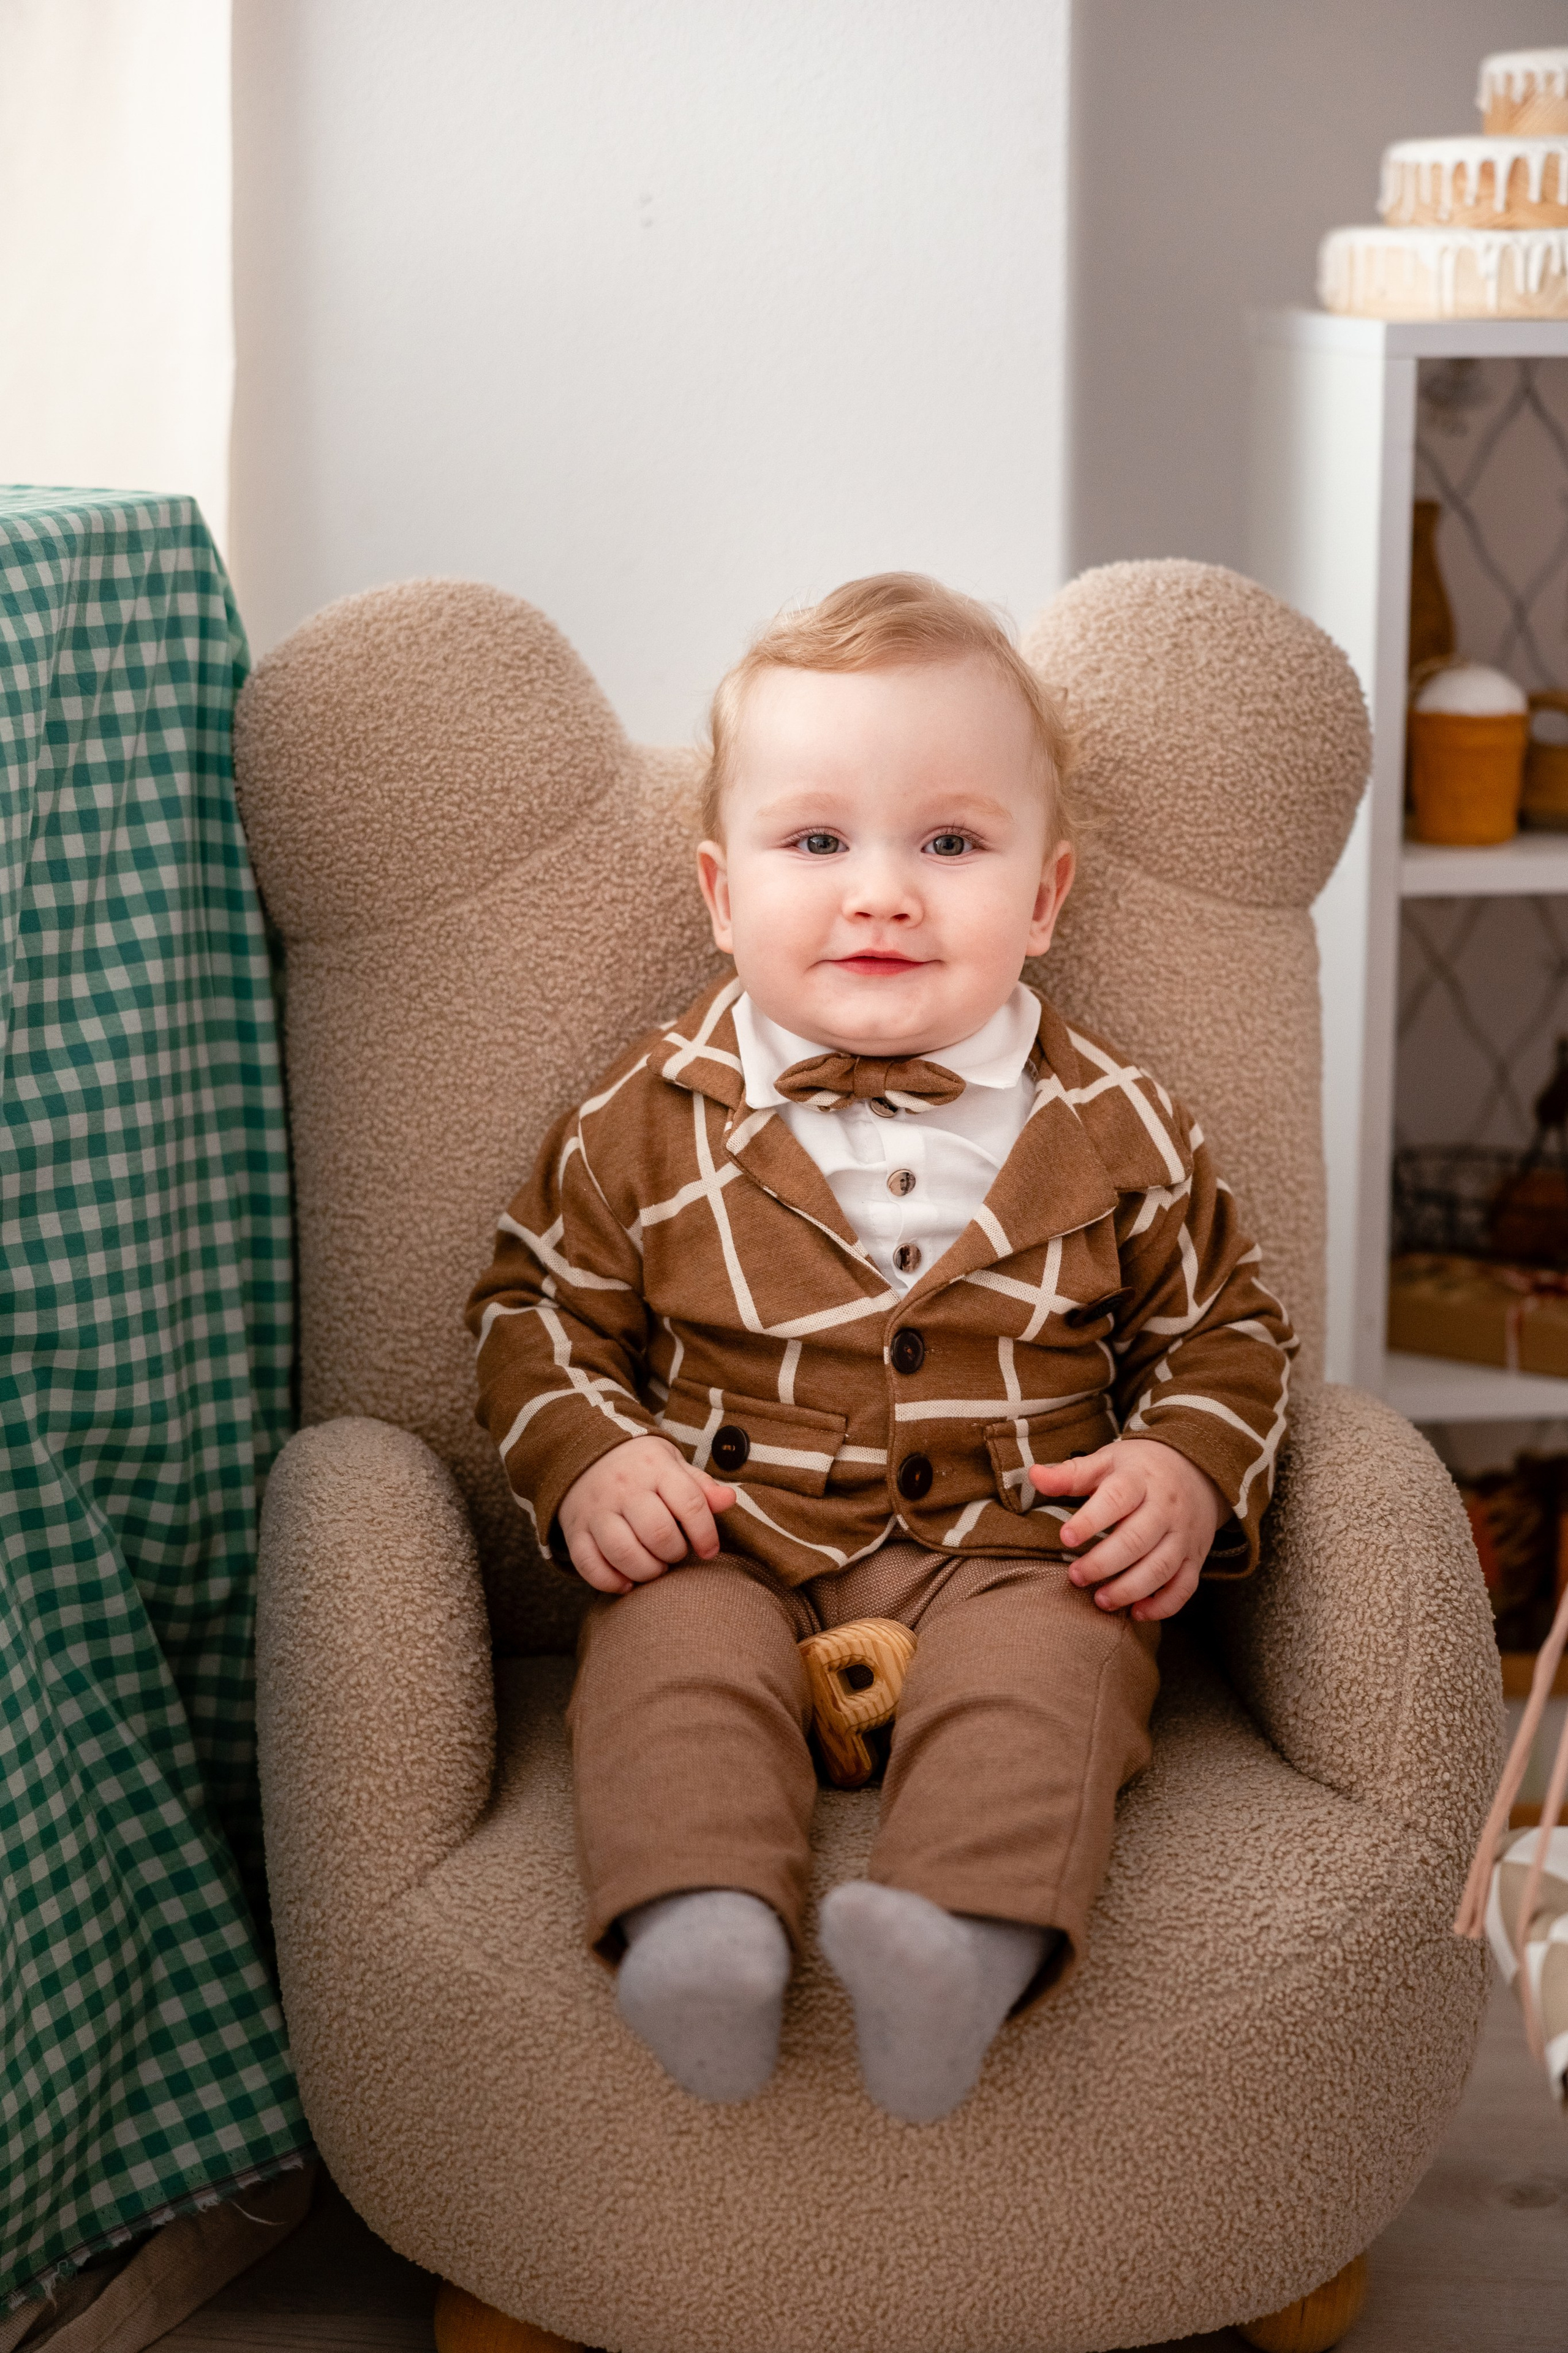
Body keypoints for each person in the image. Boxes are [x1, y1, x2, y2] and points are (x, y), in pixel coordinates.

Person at [466, 573, 1294, 2123]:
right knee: (666, 1658)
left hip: (1014, 1541)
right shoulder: (643, 1119)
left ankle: (955, 1943)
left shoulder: (1120, 1121)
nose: (882, 892)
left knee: (1056, 1667)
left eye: (951, 844)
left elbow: (1225, 1324)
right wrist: (597, 1457)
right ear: (719, 893)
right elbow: (533, 1308)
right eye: (816, 841)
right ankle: (699, 1923)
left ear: (1044, 898)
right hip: (731, 1531)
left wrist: (1183, 1465)